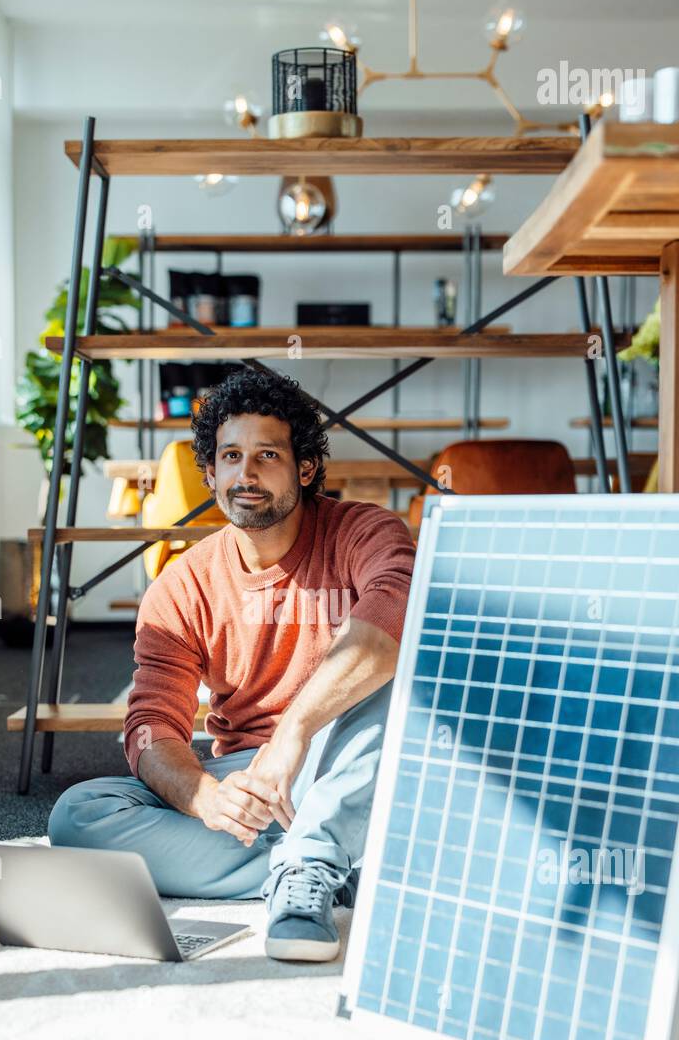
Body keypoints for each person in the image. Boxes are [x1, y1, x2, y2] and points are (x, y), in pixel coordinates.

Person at [48, 369, 415, 962]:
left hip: (347, 754)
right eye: (231, 456)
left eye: (267, 455)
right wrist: (203, 798)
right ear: (210, 473)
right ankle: (325, 861)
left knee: (388, 674)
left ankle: (311, 862)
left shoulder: (364, 531)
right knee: (78, 815)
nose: (246, 474)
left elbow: (392, 623)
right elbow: (151, 727)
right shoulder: (180, 585)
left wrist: (293, 733)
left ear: (305, 468)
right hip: (248, 783)